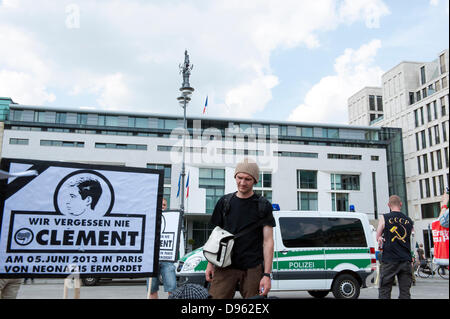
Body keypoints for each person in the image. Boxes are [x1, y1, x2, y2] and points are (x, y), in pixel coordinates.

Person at [205, 158, 276, 299]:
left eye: (248, 179)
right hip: (224, 266)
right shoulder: (224, 202)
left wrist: (267, 275)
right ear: (235, 176)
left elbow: (268, 242)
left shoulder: (263, 205)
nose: (242, 183)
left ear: (255, 180)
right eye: (240, 177)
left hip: (253, 268)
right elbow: (215, 238)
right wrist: (210, 265)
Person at [376, 195, 414, 299]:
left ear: (389, 205)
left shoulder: (384, 218)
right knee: (405, 292)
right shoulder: (409, 220)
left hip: (390, 259)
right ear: (400, 204)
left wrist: (379, 237)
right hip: (405, 260)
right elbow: (410, 236)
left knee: (385, 290)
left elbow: (378, 235)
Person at [148, 198, 177, 299]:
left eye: (164, 205)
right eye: (160, 205)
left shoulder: (172, 220)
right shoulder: (150, 219)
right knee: (151, 289)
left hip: (167, 258)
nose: (162, 207)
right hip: (152, 259)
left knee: (172, 288)